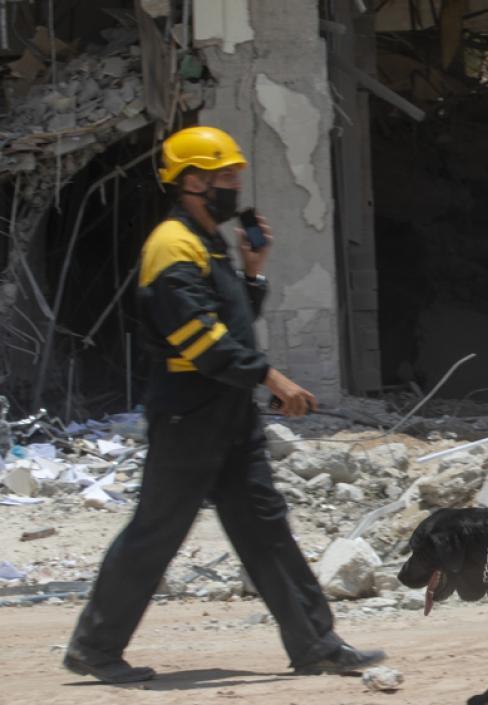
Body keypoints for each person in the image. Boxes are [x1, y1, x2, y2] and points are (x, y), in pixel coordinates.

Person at [63, 126, 386, 683]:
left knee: (266, 528)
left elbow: (230, 324)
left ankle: (316, 644)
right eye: (226, 175)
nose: (237, 183)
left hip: (228, 415)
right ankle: (94, 648)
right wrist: (273, 378)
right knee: (157, 531)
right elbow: (200, 339)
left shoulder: (209, 239)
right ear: (191, 180)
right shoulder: (171, 245)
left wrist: (253, 274)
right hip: (189, 414)